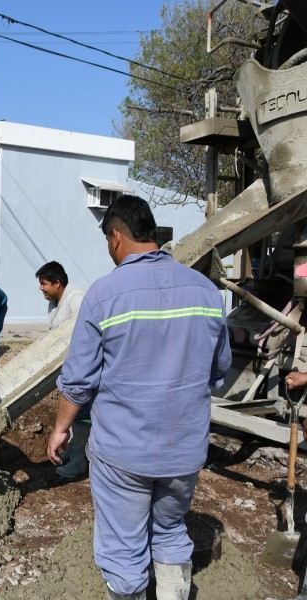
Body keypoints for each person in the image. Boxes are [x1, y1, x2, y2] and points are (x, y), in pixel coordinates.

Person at [47, 195, 231, 600]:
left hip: (124, 452)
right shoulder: (206, 292)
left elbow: (77, 382)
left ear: (116, 236)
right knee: (169, 532)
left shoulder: (104, 294)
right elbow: (218, 373)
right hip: (185, 449)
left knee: (124, 547)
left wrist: (61, 428)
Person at [36, 260, 88, 479]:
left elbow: (86, 332)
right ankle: (73, 451)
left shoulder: (76, 299)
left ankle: (79, 462)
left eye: (44, 284)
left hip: (83, 368)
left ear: (58, 283)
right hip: (69, 367)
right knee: (73, 413)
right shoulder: (55, 300)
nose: (41, 288)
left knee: (82, 413)